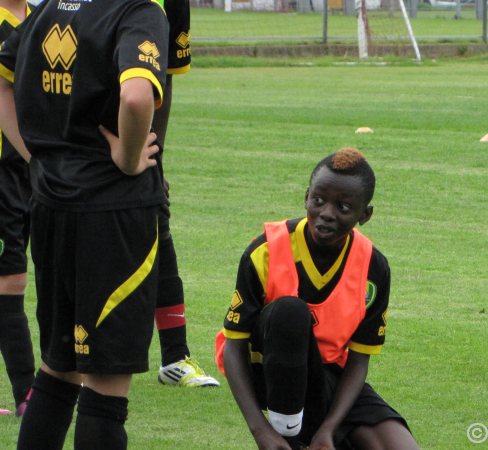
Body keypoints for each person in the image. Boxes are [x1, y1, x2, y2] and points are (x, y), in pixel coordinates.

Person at [0, 0, 168, 445]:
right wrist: (129, 160)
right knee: (105, 384)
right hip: (112, 216)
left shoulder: (50, 8)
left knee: (58, 369)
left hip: (51, 209)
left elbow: (1, 80)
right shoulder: (138, 11)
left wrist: (39, 158)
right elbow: (135, 95)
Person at [217, 148, 418, 450]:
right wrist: (262, 431)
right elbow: (233, 348)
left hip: (327, 378)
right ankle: (289, 434)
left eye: (343, 207)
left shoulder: (373, 266)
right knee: (290, 312)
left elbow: (359, 358)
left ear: (365, 215)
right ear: (307, 196)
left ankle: (318, 432)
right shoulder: (265, 251)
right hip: (267, 376)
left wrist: (329, 429)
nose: (326, 213)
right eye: (319, 200)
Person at [152, 0, 219, 388]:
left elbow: (166, 78)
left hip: (136, 136)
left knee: (158, 230)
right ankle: (74, 359)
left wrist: (152, 157)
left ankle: (175, 358)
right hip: (72, 139)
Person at [0, 0, 34, 418]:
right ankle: (27, 393)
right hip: (4, 169)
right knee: (11, 279)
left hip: (35, 166)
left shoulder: (44, 17)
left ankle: (29, 392)